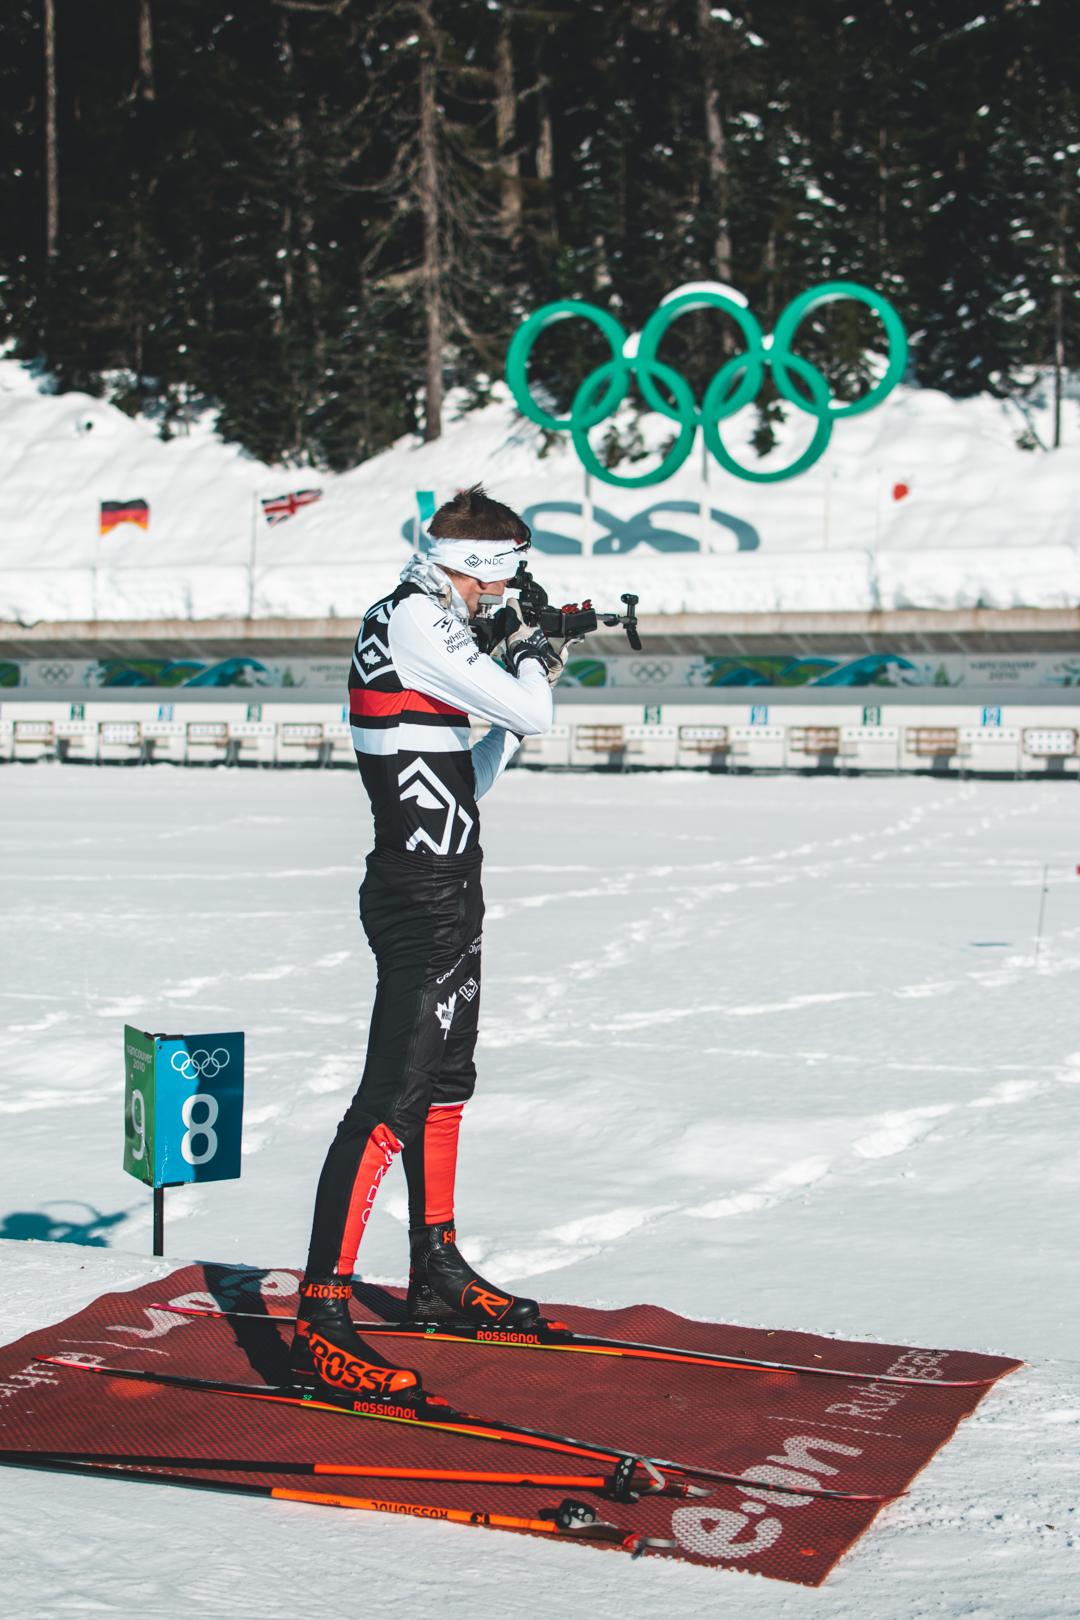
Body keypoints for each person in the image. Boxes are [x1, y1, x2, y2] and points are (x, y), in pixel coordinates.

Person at [290, 485, 568, 1401]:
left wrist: (540, 662)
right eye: (502, 582)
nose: (503, 598)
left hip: (447, 881)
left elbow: (474, 770)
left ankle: (436, 1274)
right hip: (422, 895)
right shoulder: (418, 620)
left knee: (446, 1084)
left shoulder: (426, 626)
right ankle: (321, 1317)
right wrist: (531, 659)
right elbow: (530, 716)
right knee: (390, 1098)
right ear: (477, 566)